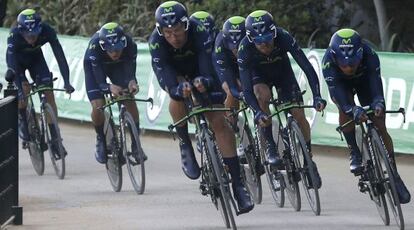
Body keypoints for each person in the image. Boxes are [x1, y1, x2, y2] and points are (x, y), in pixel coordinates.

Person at [149, 1, 253, 213]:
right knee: (176, 99)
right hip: (176, 73)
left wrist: (205, 85)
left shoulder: (201, 31)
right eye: (167, 32)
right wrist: (178, 90)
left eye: (177, 31)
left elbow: (210, 66)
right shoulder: (156, 42)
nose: (173, 37)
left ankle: (238, 184)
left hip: (202, 67)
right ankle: (185, 143)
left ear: (186, 25)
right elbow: (166, 78)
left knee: (218, 120)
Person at [238, 10, 326, 188]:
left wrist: (317, 95)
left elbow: (307, 68)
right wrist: (257, 112)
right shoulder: (244, 48)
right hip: (258, 77)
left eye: (268, 38)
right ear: (250, 38)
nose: (264, 44)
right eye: (259, 41)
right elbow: (247, 90)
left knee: (297, 111)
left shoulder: (284, 37)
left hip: (282, 73)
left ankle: (308, 160)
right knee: (262, 96)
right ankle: (270, 145)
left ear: (274, 32)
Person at [322, 28, 410, 203]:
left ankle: (394, 174)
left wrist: (379, 103)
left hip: (365, 82)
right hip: (341, 87)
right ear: (335, 58)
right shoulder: (328, 63)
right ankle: (354, 151)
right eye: (344, 64)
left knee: (379, 122)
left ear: (360, 55)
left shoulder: (370, 55)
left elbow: (376, 86)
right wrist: (352, 109)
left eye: (353, 63)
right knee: (344, 110)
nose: (348, 68)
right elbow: (340, 98)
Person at [6, 9, 74, 156]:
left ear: (40, 29)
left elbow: (60, 56)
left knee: (48, 93)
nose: (32, 38)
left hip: (36, 60)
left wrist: (67, 81)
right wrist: (19, 89)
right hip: (17, 64)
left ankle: (55, 138)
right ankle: (23, 120)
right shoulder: (14, 36)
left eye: (34, 34)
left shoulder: (47, 30)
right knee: (23, 90)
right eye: (28, 35)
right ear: (21, 30)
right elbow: (12, 64)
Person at [84, 22, 144, 164]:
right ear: (104, 46)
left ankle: (136, 144)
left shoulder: (130, 44)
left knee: (128, 98)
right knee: (98, 105)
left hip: (118, 67)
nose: (115, 53)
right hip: (96, 69)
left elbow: (130, 71)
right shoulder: (95, 47)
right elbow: (100, 82)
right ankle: (100, 138)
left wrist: (131, 82)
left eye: (117, 49)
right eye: (110, 50)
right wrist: (109, 87)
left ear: (123, 42)